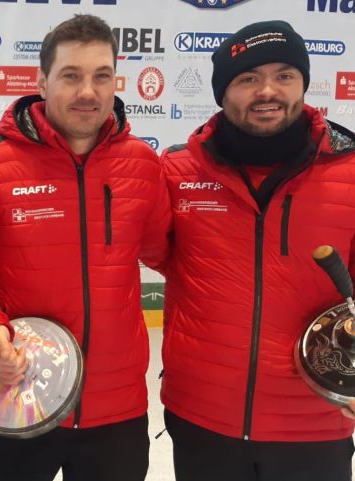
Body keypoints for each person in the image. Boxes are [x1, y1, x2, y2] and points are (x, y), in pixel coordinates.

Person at [0, 14, 171, 481]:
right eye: (71, 76)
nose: (87, 92)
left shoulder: (144, 167)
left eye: (101, 76)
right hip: (14, 396)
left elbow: (167, 253)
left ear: (115, 81)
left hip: (115, 408)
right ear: (42, 81)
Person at [159, 20, 355, 481]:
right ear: (222, 92)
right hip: (204, 419)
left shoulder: (349, 171)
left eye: (285, 75)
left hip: (314, 423)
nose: (268, 90)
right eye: (248, 78)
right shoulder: (177, 172)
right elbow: (149, 250)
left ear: (304, 84)